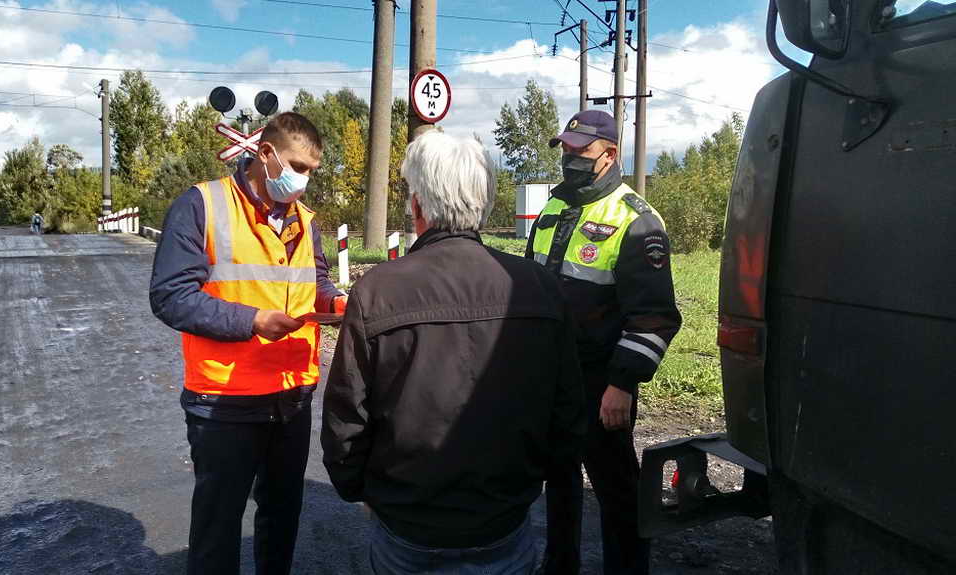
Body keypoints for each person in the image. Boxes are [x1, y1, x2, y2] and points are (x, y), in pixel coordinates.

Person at [321, 130, 586, 575]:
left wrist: (360, 491)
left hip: (408, 530)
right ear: (481, 205)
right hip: (504, 523)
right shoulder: (540, 287)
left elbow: (347, 419)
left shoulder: (377, 291)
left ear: (418, 205)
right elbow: (568, 414)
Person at [148, 112, 346, 575]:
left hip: (292, 394)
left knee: (281, 517)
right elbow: (170, 296)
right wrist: (252, 320)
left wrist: (334, 303)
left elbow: (312, 278)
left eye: (312, 172)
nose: (303, 180)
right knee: (218, 528)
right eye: (298, 166)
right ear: (265, 154)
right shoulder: (202, 205)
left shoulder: (304, 219)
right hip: (224, 400)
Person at [528, 110, 682, 575]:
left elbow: (654, 319)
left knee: (615, 489)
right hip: (553, 378)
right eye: (566, 149)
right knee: (559, 483)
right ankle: (560, 566)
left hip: (602, 384)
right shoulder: (555, 207)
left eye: (581, 150)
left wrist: (622, 384)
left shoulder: (638, 221)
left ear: (610, 154)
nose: (569, 158)